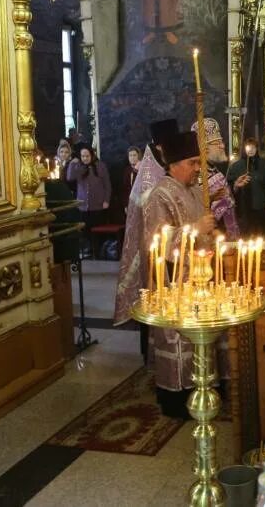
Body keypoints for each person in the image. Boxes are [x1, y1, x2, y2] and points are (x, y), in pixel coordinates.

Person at [141, 125, 219, 417]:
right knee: (180, 338)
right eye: (192, 163)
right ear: (173, 165)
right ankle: (177, 395)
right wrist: (195, 229)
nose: (198, 169)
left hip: (201, 274)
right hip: (176, 279)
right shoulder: (159, 195)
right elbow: (156, 241)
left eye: (199, 162)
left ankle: (206, 385)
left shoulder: (196, 191)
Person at [114, 120, 175, 357]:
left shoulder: (162, 166)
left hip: (171, 246)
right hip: (154, 251)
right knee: (152, 297)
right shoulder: (149, 175)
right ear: (161, 146)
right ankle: (150, 355)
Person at [192, 118, 240, 239]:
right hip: (213, 235)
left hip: (228, 232)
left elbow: (227, 198)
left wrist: (235, 187)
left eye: (221, 141)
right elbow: (197, 210)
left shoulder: (214, 170)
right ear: (205, 148)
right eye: (217, 143)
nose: (222, 145)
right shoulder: (197, 176)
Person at [67, 143, 112, 257]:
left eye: (87, 156)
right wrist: (73, 163)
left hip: (98, 205)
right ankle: (89, 251)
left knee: (97, 230)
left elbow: (107, 185)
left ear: (92, 155)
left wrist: (106, 200)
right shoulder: (79, 167)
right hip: (83, 205)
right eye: (83, 156)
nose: (85, 158)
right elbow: (69, 177)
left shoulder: (100, 166)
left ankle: (98, 251)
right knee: (85, 231)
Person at [227, 138, 265, 236]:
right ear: (244, 149)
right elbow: (229, 184)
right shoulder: (237, 166)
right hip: (243, 207)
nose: (251, 150)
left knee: (261, 233)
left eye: (253, 147)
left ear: (257, 149)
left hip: (260, 205)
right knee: (246, 234)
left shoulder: (263, 164)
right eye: (248, 147)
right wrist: (236, 184)